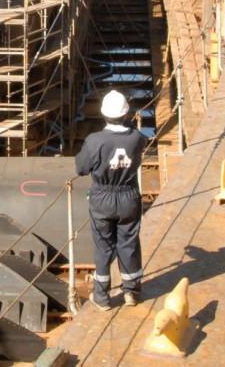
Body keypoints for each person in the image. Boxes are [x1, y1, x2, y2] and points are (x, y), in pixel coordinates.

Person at [75, 89, 146, 310]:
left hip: (102, 197)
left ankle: (103, 298)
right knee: (129, 243)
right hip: (128, 196)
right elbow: (139, 140)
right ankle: (131, 292)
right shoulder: (137, 138)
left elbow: (81, 168)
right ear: (126, 114)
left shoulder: (95, 140)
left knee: (103, 246)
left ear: (104, 115)